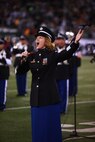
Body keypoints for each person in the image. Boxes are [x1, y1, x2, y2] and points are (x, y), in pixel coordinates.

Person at [20, 26, 84, 142]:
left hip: (49, 99)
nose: (37, 40)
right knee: (38, 130)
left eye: (40, 37)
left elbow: (66, 53)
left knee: (50, 131)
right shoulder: (32, 56)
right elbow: (20, 72)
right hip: (36, 100)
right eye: (37, 38)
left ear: (47, 40)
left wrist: (75, 42)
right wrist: (23, 59)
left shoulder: (52, 55)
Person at [55, 33, 71, 114]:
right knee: (55, 93)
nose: (59, 41)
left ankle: (62, 109)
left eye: (61, 39)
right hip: (54, 75)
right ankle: (56, 109)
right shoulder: (54, 49)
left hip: (64, 74)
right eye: (57, 39)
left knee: (63, 92)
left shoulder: (68, 49)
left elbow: (71, 62)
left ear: (64, 40)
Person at [0, 39, 12, 111]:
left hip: (3, 72)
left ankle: (2, 105)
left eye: (1, 44)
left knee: (2, 89)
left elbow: (10, 62)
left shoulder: (6, 52)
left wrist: (3, 59)